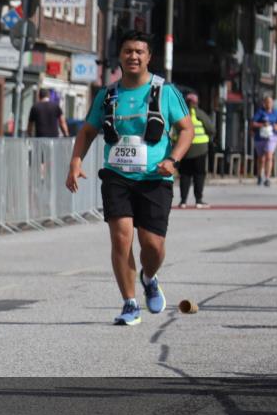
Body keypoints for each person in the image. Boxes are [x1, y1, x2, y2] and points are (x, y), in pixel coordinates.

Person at [66, 30, 194, 326]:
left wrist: (172, 160)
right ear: (119, 56)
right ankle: (129, 303)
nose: (133, 56)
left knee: (153, 246)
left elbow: (186, 130)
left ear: (149, 57)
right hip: (116, 176)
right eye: (127, 51)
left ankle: (148, 277)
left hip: (154, 177)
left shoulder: (165, 92)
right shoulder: (108, 94)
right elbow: (87, 131)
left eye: (139, 51)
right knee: (121, 239)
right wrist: (75, 162)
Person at [174, 91, 215, 208]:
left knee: (185, 175)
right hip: (200, 149)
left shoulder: (181, 114)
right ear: (196, 102)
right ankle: (198, 200)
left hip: (184, 149)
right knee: (199, 175)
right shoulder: (200, 114)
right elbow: (211, 129)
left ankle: (183, 201)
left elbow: (175, 130)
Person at [252, 96, 277, 186]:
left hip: (272, 137)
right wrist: (262, 124)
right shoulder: (260, 112)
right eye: (267, 102)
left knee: (269, 156)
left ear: (272, 103)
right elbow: (253, 123)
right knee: (261, 158)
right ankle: (259, 176)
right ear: (264, 103)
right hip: (260, 137)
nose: (269, 104)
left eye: (270, 102)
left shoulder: (275, 112)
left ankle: (267, 178)